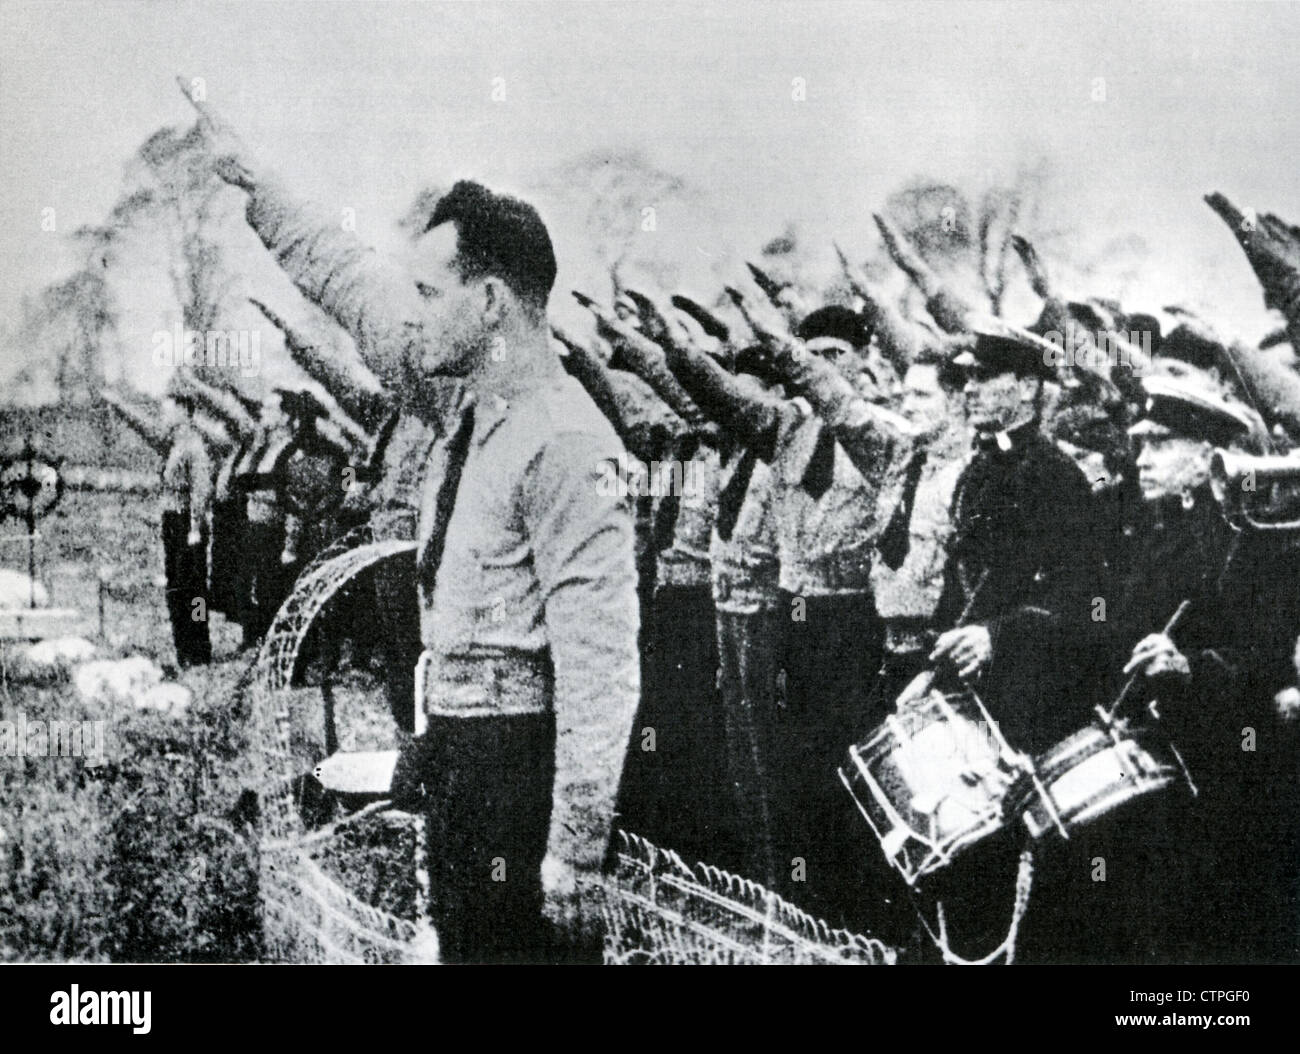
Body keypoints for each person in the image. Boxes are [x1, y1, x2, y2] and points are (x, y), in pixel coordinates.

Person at [190, 86, 641, 962]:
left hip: (522, 768)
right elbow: (353, 282)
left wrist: (575, 848)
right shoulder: (461, 401)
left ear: (491, 304)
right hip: (461, 753)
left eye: (431, 293)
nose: (414, 309)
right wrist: (259, 184)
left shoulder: (570, 443)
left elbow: (602, 666)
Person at [158, 391, 213, 668]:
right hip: (173, 522)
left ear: (183, 412)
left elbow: (200, 489)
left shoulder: (193, 445)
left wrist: (195, 527)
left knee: (194, 591)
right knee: (177, 590)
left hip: (186, 525)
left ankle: (199, 649)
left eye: (169, 410)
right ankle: (184, 650)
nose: (164, 416)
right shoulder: (176, 444)